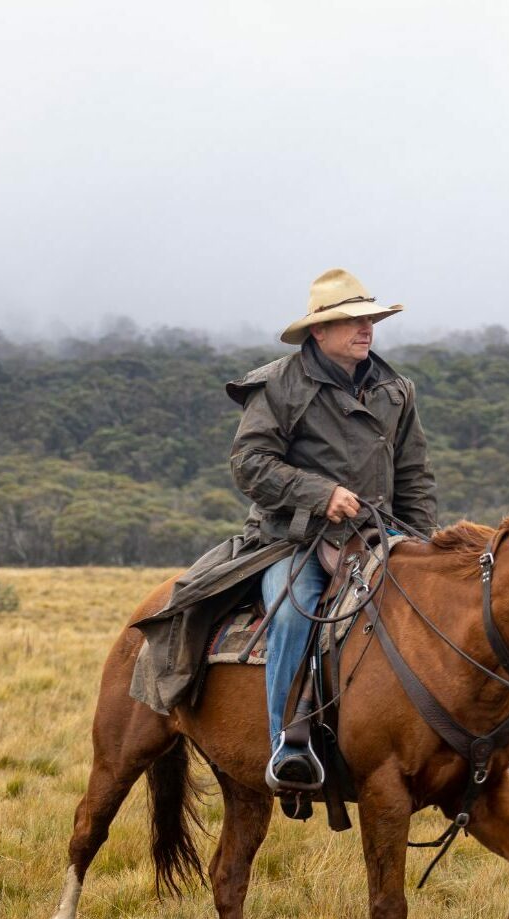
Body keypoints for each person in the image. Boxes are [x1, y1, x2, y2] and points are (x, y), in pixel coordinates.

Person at [129, 268, 437, 795]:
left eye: (370, 319)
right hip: (291, 540)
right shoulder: (278, 385)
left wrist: (425, 546)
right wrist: (322, 494)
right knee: (295, 608)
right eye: (352, 321)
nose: (366, 328)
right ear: (319, 331)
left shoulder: (395, 390)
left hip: (383, 538)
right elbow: (249, 463)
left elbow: (414, 474)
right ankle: (287, 746)